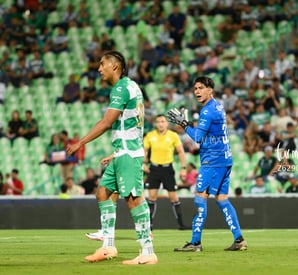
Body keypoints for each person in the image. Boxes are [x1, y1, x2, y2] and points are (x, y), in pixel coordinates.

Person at [66, 50, 156, 264]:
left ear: (115, 66)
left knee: (134, 198)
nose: (99, 69)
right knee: (103, 193)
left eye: (102, 64)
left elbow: (107, 123)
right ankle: (107, 246)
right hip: (122, 151)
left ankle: (148, 251)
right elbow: (129, 124)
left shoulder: (121, 89)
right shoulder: (131, 86)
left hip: (127, 153)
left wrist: (81, 142)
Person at [167, 76, 247, 252]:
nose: (197, 91)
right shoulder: (218, 106)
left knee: (200, 198)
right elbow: (208, 132)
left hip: (213, 160)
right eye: (195, 88)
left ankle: (196, 243)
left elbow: (197, 137)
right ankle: (239, 239)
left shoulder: (207, 110)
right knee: (222, 199)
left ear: (210, 89)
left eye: (201, 88)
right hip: (224, 158)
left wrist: (183, 124)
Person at [143, 114, 190, 230]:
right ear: (155, 124)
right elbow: (144, 150)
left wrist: (183, 168)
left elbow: (181, 152)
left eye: (163, 121)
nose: (160, 123)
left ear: (167, 124)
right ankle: (149, 225)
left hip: (167, 169)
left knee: (174, 198)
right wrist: (143, 163)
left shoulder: (173, 136)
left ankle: (181, 224)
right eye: (158, 121)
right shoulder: (150, 136)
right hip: (154, 169)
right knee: (152, 197)